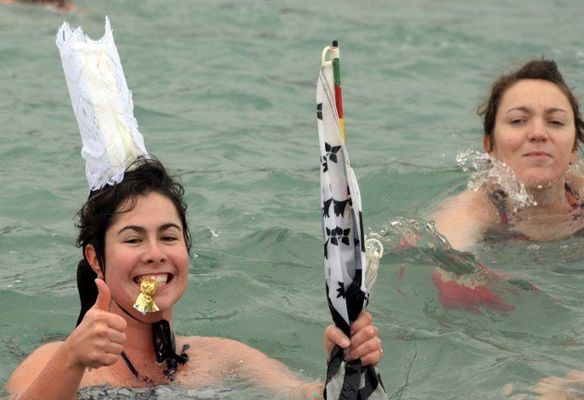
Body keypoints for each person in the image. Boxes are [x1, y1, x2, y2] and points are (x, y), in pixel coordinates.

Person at [5, 157, 383, 400]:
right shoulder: (56, 363)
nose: (155, 253)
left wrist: (347, 366)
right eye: (133, 239)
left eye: (169, 236)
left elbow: (307, 395)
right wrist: (72, 358)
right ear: (96, 260)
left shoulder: (224, 359)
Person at [432, 59, 584, 251]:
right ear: (490, 145)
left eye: (555, 122)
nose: (538, 133)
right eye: (518, 120)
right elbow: (446, 264)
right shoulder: (473, 211)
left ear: (574, 149)